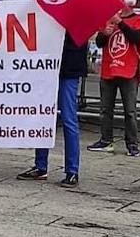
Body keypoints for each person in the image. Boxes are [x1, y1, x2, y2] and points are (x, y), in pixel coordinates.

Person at [88, 0, 140, 156]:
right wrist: (105, 33)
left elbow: (136, 38)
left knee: (130, 111)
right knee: (106, 108)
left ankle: (132, 144)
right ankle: (106, 140)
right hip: (109, 70)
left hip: (129, 71)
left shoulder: (139, 19)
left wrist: (120, 22)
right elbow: (99, 42)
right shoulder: (108, 18)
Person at [17, 34, 88, 187]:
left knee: (69, 119)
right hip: (49, 67)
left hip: (69, 67)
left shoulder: (78, 17)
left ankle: (72, 170)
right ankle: (41, 166)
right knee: (44, 115)